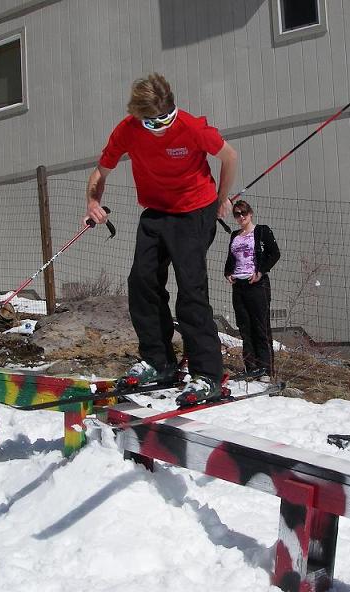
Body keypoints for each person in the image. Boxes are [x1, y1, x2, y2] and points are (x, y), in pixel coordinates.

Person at [85, 73, 238, 405]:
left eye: (166, 118)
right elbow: (101, 171)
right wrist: (93, 203)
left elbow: (229, 156)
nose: (161, 127)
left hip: (194, 211)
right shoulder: (127, 130)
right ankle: (159, 361)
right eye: (153, 123)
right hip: (156, 212)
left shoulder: (192, 127)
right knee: (142, 283)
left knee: (190, 291)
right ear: (138, 116)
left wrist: (221, 198)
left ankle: (207, 374)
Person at [224, 200, 280, 378]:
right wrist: (228, 272)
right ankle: (251, 368)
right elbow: (231, 258)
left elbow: (275, 253)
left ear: (250, 213)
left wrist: (261, 272)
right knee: (245, 328)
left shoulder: (262, 231)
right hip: (239, 286)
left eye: (244, 212)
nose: (241, 217)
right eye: (237, 214)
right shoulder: (235, 235)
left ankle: (265, 370)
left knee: (260, 327)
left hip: (257, 285)